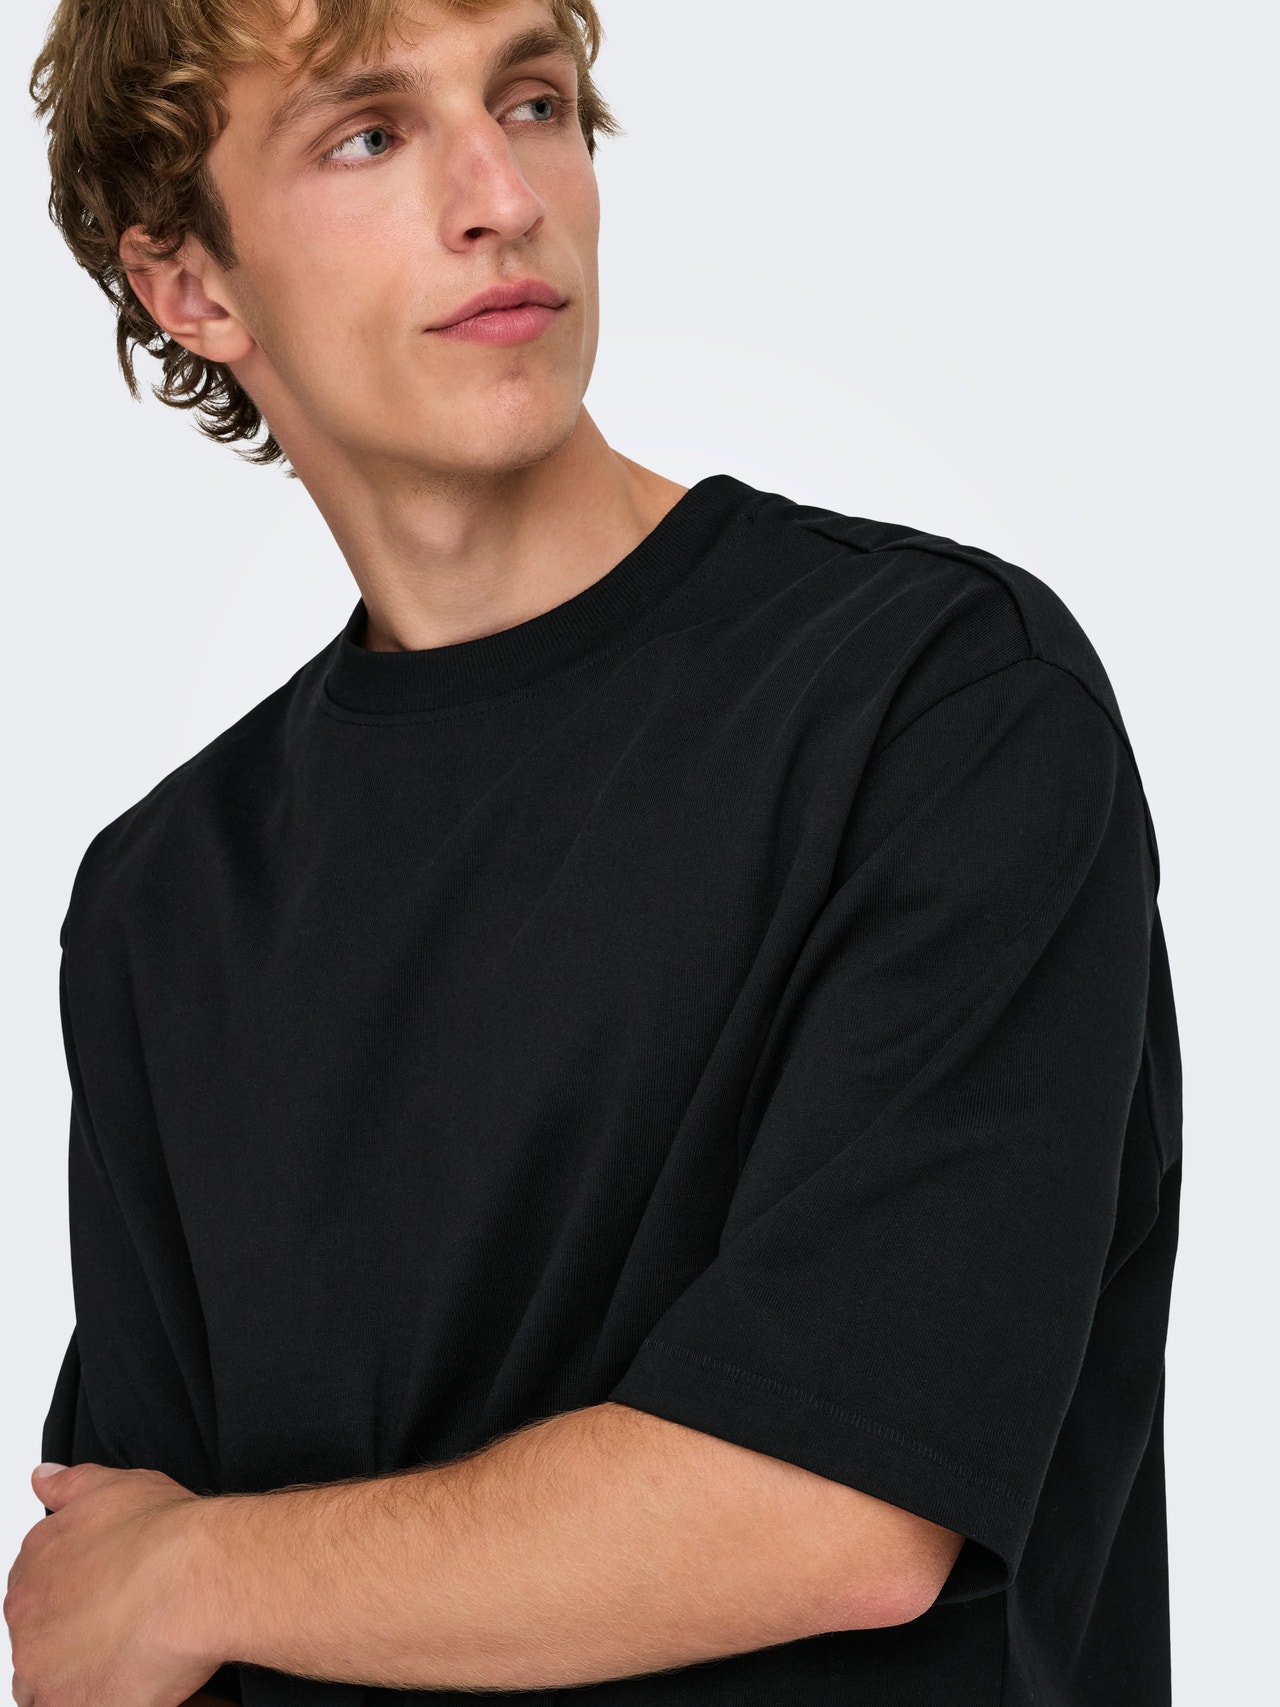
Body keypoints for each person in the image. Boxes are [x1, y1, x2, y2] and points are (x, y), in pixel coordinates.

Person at [7, 0, 1182, 1702]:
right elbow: (105, 1621)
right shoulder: (163, 901)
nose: (502, 196)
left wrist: (205, 1574)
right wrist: (164, 1589)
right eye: (369, 133)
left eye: (534, 101)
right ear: (189, 283)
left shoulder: (937, 706)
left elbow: (832, 1513)